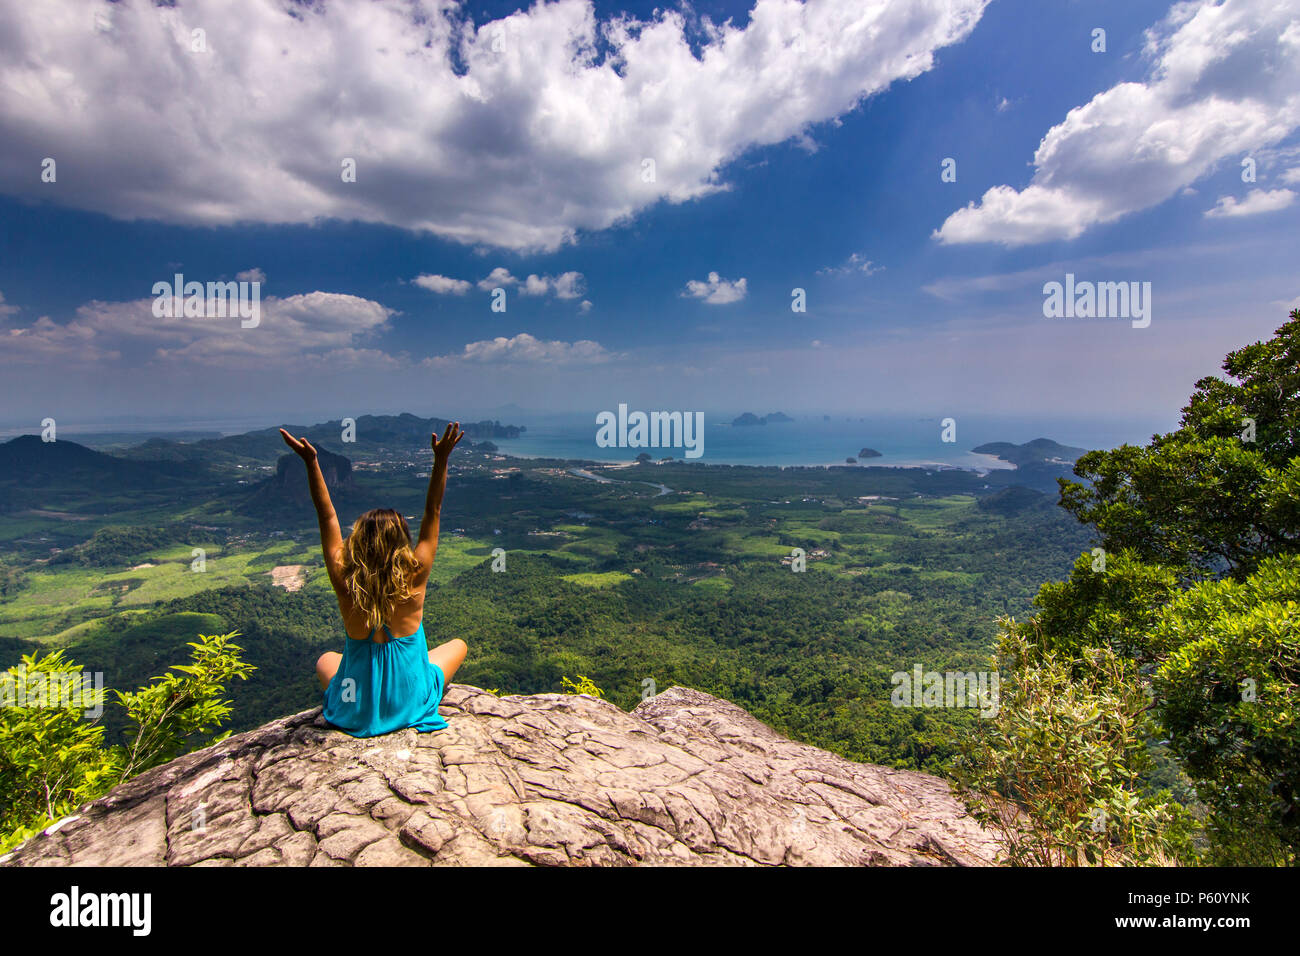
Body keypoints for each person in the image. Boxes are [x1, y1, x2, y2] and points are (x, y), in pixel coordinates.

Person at [278, 421, 469, 737]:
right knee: (458, 645)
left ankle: (364, 698)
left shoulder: (344, 578)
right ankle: (409, 690)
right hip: (407, 701)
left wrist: (311, 462)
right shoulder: (415, 575)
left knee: (326, 659)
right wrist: (441, 459)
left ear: (358, 541)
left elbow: (326, 516)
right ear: (401, 542)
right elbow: (433, 511)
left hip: (355, 705)